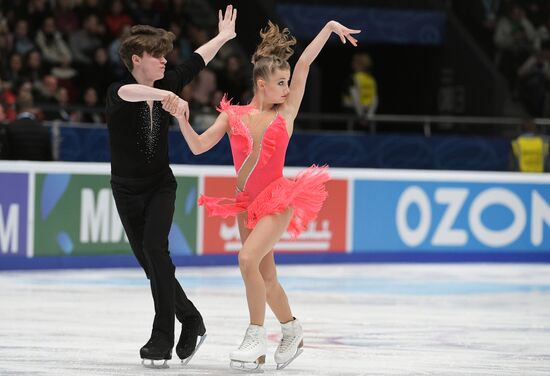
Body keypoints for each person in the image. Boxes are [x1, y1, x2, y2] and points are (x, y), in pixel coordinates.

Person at [128, 20, 359, 371]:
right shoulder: (233, 116)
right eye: (280, 83)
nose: (286, 89)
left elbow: (304, 65)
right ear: (262, 85)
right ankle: (291, 329)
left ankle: (255, 337)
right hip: (245, 204)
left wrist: (327, 29)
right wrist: (183, 119)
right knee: (267, 279)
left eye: (287, 83)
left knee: (247, 260)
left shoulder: (286, 113)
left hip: (277, 201)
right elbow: (199, 147)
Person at [104, 5, 237, 368]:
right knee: (151, 264)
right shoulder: (118, 92)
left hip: (160, 185)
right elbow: (130, 93)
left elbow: (196, 61)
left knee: (155, 250)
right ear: (137, 58)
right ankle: (191, 318)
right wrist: (163, 98)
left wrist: (223, 38)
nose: (165, 61)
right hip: (126, 190)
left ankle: (161, 336)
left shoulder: (168, 84)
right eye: (157, 55)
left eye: (165, 55)